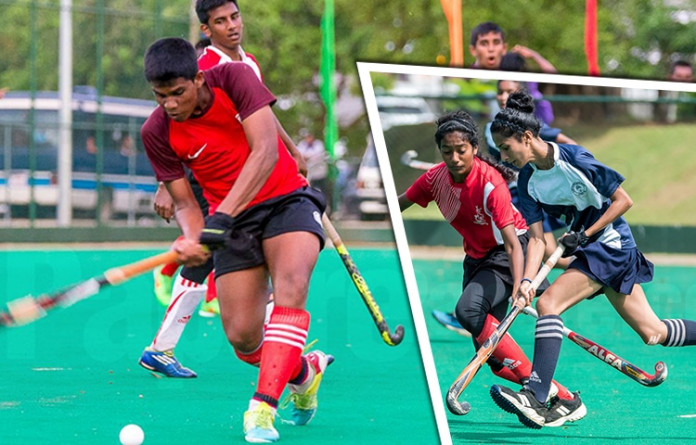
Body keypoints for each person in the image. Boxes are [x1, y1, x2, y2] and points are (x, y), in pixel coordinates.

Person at [141, 37, 332, 442]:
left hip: (286, 199)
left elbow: (264, 151)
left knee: (291, 287)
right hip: (233, 224)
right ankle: (304, 370)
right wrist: (193, 238)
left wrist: (221, 215)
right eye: (161, 96)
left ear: (198, 78)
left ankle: (262, 409)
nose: (170, 104)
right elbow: (184, 202)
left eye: (178, 93)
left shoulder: (235, 77)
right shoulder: (156, 131)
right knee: (244, 338)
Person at [487, 90, 696, 429]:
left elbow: (623, 200)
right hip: (593, 250)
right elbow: (538, 240)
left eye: (507, 148)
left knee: (549, 304)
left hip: (611, 246)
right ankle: (554, 402)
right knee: (653, 332)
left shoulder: (575, 159)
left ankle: (537, 396)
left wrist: (585, 234)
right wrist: (526, 280)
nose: (504, 156)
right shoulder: (527, 180)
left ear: (526, 137)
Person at [145, 0, 309, 378]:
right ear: (207, 30)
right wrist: (166, 185)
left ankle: (163, 346)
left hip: (253, 176)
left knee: (206, 259)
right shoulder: (205, 68)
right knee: (203, 256)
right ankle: (163, 346)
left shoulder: (246, 64)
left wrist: (292, 150)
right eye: (220, 21)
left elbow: (261, 116)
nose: (231, 26)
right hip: (217, 181)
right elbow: (178, 123)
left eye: (234, 17)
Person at [399, 110, 586, 427]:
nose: (455, 158)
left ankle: (535, 392)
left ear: (473, 148)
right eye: (447, 152)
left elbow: (513, 244)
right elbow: (401, 201)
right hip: (477, 259)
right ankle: (563, 397)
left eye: (462, 150)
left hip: (510, 252)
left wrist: (520, 284)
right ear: (440, 152)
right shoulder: (434, 179)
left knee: (469, 311)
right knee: (492, 354)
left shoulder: (490, 184)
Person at [432, 80, 576, 336]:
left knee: (547, 254)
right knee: (543, 254)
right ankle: (478, 311)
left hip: (525, 203)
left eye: (509, 92)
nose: (502, 96)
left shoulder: (524, 129)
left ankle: (553, 292)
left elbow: (564, 144)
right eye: (500, 91)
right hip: (511, 201)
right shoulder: (493, 129)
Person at [296, 129, 331, 206]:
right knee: (311, 191)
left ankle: (328, 207)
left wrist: (308, 157)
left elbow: (317, 155)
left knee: (324, 191)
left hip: (320, 173)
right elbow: (300, 155)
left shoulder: (318, 144)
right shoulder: (302, 145)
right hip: (310, 174)